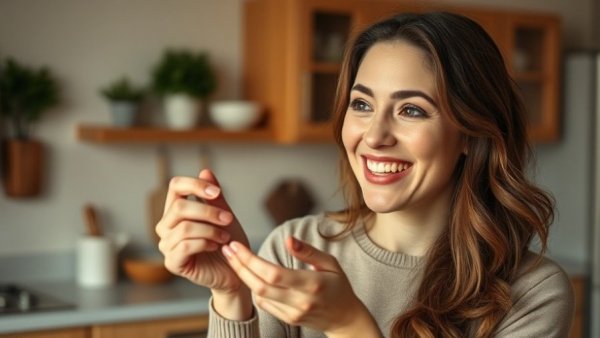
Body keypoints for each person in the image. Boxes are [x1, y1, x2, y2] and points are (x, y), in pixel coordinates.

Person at [156, 11, 574, 338]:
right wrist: (232, 294)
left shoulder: (533, 293)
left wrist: (349, 326)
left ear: (470, 132)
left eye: (411, 110)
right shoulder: (295, 248)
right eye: (361, 104)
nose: (374, 136)